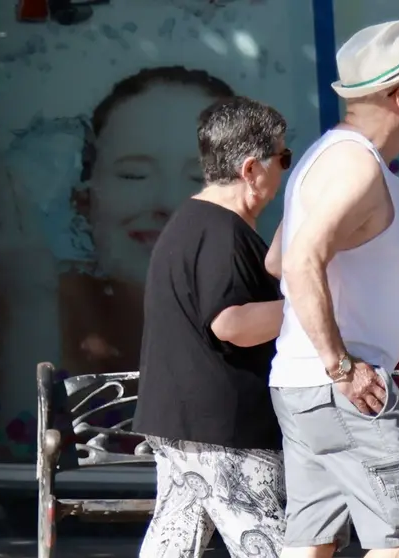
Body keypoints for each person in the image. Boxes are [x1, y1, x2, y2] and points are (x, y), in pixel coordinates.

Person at [267, 20, 399, 558]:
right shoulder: (358, 168)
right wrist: (341, 364)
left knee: (312, 544)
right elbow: (298, 262)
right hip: (343, 388)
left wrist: (388, 306)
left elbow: (278, 257)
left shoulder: (323, 158)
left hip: (301, 385)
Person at [132, 96, 292, 558]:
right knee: (270, 546)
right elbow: (232, 323)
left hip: (183, 419)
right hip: (224, 429)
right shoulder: (223, 232)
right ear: (250, 169)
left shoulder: (192, 223)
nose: (284, 170)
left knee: (172, 543)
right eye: (283, 158)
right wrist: (313, 310)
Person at [61, 65, 236, 376]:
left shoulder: (282, 316)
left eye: (200, 177)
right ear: (83, 200)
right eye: (134, 175)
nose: (167, 202)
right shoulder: (35, 314)